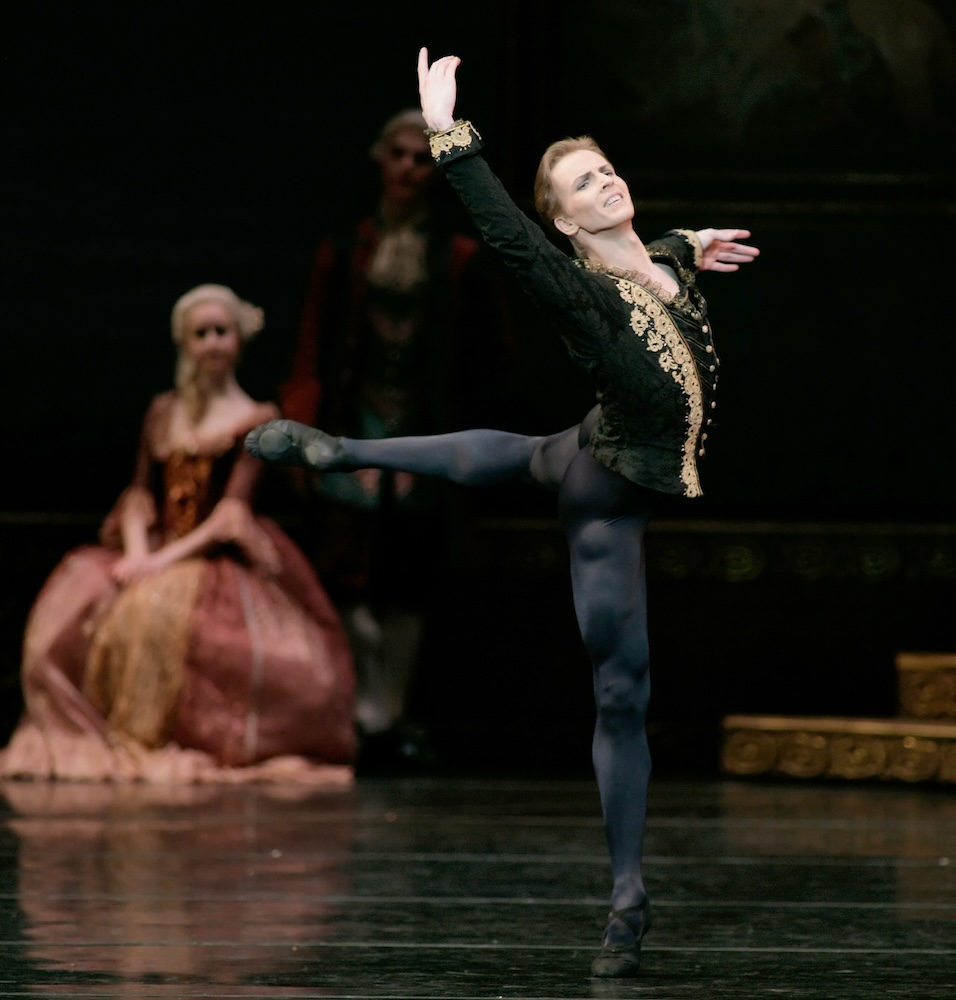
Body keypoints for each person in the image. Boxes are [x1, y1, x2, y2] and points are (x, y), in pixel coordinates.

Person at [246, 49, 759, 977]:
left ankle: (343, 447)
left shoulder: (668, 258)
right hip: (612, 496)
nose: (602, 183)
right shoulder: (580, 291)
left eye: (605, 169)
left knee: (530, 453)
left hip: (599, 437)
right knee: (622, 694)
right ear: (563, 219)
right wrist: (451, 138)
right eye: (579, 184)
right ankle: (626, 896)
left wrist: (693, 239)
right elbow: (511, 239)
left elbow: (664, 259)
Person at [0, 284, 356, 785]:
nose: (212, 342)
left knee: (168, 617)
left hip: (212, 554)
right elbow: (140, 494)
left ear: (238, 340)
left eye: (221, 332)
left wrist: (163, 563)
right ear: (185, 342)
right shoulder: (163, 412)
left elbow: (231, 513)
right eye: (201, 333)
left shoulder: (257, 419)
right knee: (64, 617)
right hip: (157, 545)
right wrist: (141, 551)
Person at [280, 108, 517, 768]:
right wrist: (309, 431)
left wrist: (446, 448)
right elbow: (311, 346)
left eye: (422, 158)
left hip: (424, 434)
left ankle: (396, 714)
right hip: (352, 432)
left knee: (410, 577)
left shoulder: (459, 258)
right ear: (380, 160)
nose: (410, 168)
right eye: (400, 156)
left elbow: (487, 361)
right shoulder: (345, 248)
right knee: (348, 574)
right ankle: (368, 710)